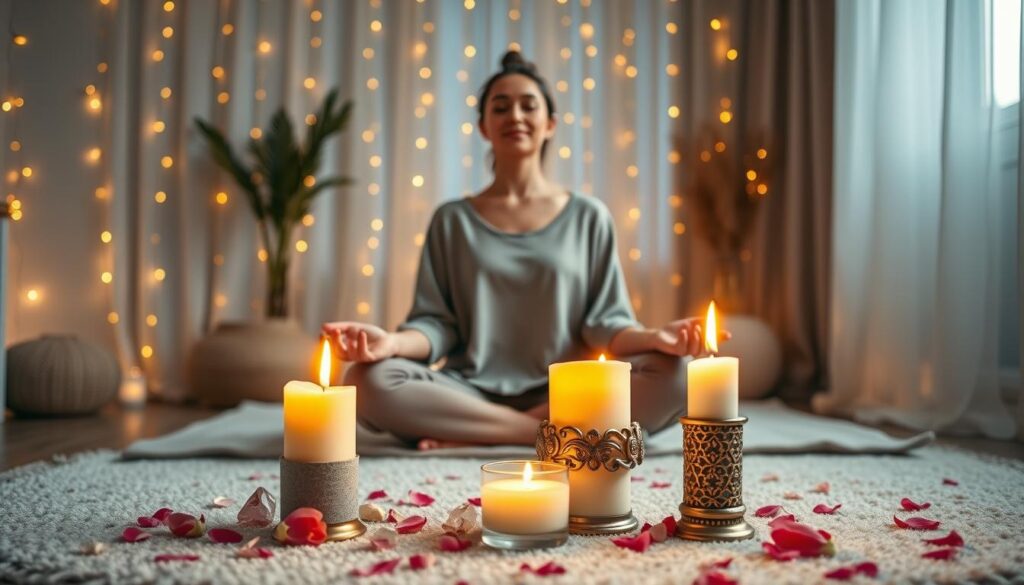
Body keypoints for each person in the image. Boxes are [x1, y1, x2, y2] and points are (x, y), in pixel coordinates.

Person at [323, 51, 727, 451]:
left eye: (527, 106)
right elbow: (436, 325)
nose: (514, 116)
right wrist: (389, 345)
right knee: (366, 380)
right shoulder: (452, 220)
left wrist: (657, 337)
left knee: (678, 374)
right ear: (484, 127)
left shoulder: (589, 216)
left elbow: (606, 325)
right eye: (500, 107)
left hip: (569, 393)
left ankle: (478, 434)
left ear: (549, 124)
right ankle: (551, 435)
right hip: (468, 393)